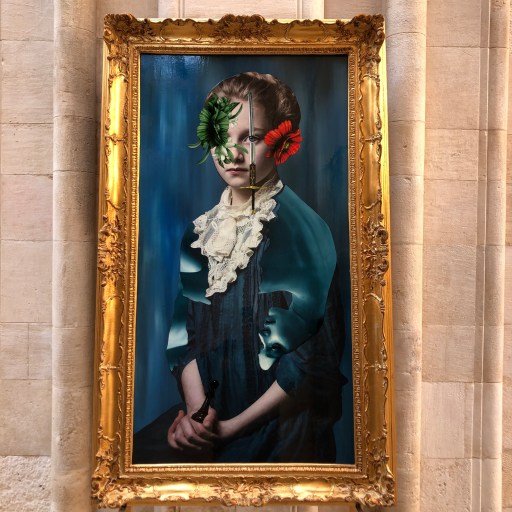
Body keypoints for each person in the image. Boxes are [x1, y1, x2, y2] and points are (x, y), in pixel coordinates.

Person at [133, 72, 345, 464]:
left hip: (278, 427)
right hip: (211, 415)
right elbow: (183, 337)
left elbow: (311, 363)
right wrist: (197, 417)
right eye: (221, 136)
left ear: (280, 142)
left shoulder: (304, 231)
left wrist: (229, 429)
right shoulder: (200, 233)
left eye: (251, 137)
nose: (232, 153)